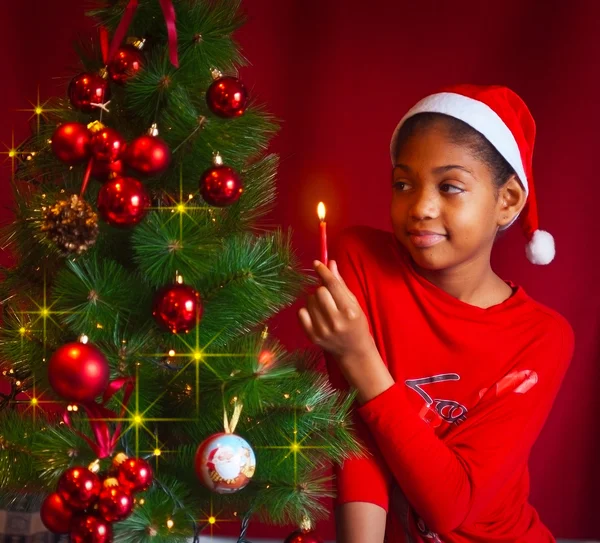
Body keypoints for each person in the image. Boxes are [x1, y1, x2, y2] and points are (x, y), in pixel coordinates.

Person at [297, 84, 575, 542]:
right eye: (403, 184)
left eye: (450, 187)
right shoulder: (360, 261)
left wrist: (359, 356)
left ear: (506, 201)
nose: (421, 207)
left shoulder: (542, 338)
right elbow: (358, 444)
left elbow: (450, 507)